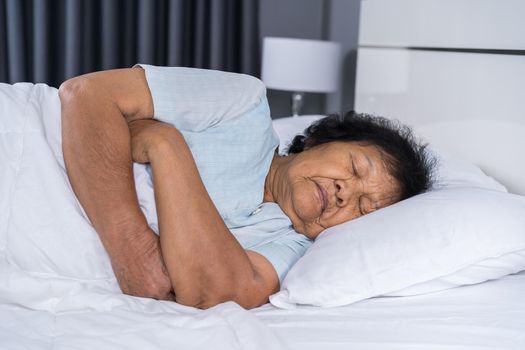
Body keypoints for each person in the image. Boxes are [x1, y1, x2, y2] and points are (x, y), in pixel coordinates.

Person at [58, 65, 433, 310]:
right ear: (320, 140)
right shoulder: (244, 105)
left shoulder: (293, 250)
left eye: (363, 207)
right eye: (353, 167)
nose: (343, 192)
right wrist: (133, 247)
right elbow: (86, 93)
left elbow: (213, 295)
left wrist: (165, 146)